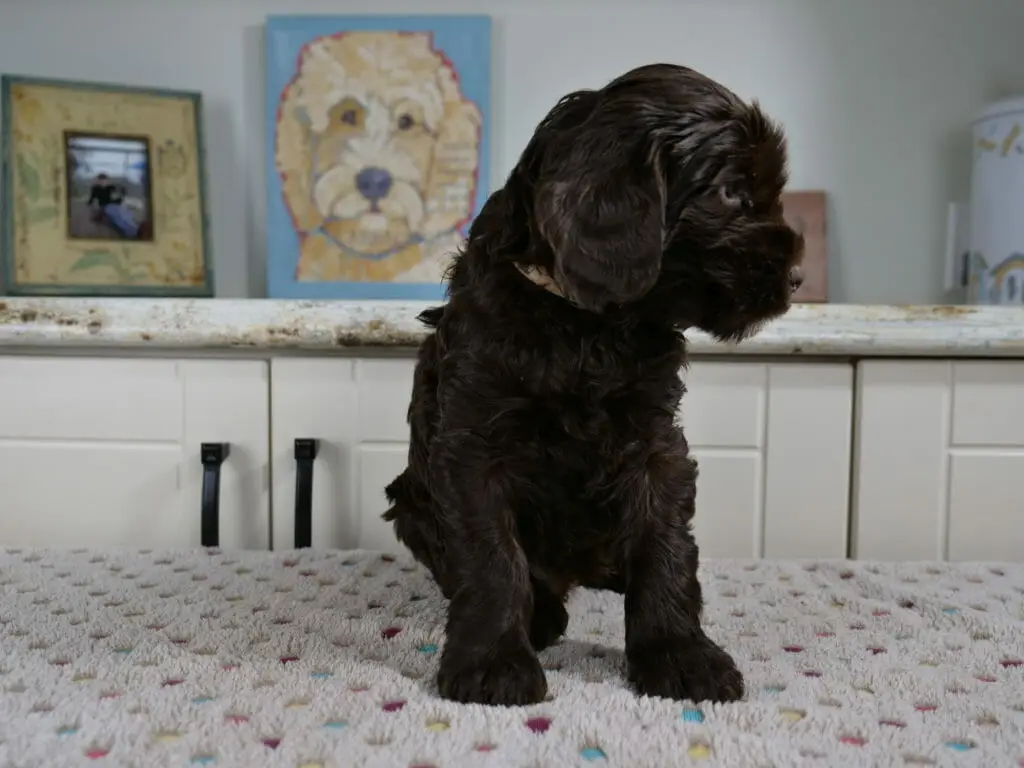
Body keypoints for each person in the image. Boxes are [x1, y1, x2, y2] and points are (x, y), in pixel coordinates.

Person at [87, 173, 141, 239]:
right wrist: (90, 204)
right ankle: (131, 231)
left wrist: (123, 192)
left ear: (107, 180)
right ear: (98, 181)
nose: (103, 182)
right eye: (101, 180)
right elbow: (92, 198)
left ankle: (135, 228)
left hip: (116, 204)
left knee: (126, 214)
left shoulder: (110, 187)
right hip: (106, 206)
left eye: (104, 180)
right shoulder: (95, 188)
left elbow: (121, 190)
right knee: (117, 216)